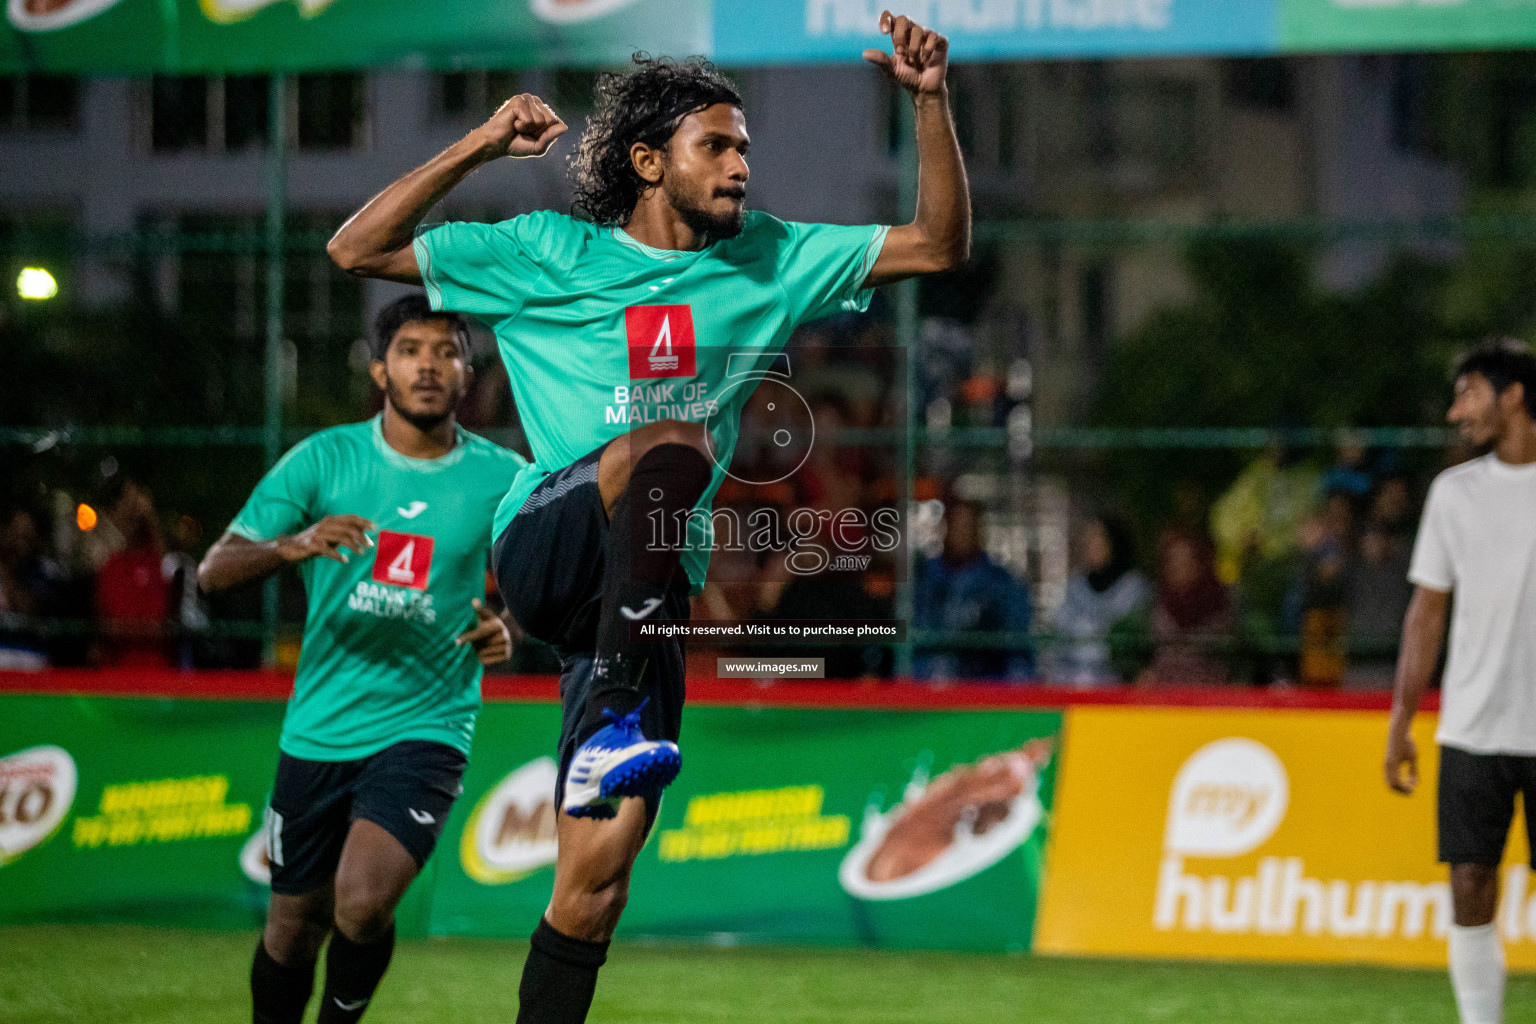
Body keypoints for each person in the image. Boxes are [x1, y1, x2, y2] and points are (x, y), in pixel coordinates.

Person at [325, 12, 969, 1023]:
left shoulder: (768, 257)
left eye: (746, 148)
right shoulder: (548, 250)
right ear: (645, 159)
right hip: (547, 539)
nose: (740, 166)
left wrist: (929, 103)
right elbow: (356, 248)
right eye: (716, 145)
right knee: (673, 442)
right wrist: (483, 143)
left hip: (646, 595)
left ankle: (610, 733)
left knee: (594, 888)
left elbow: (937, 244)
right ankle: (617, 718)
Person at [197, 295, 524, 1024]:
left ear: (467, 375)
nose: (429, 366)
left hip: (428, 724)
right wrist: (291, 544)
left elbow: (552, 583)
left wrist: (513, 627)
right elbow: (212, 572)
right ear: (380, 368)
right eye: (410, 350)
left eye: (446, 352)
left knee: (363, 899)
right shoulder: (324, 459)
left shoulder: (503, 478)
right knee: (291, 927)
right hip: (318, 729)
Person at [1384, 339, 1536, 1024]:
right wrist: (1400, 723)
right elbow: (1426, 612)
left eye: (1468, 392)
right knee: (1470, 886)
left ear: (1513, 396)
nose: (1455, 411)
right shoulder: (1454, 494)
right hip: (1474, 729)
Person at [912, 498, 1033, 682]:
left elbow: (1019, 648)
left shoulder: (1001, 583)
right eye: (957, 525)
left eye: (969, 526)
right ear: (945, 528)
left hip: (983, 689)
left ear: (979, 531)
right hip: (928, 689)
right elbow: (911, 636)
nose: (962, 533)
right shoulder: (923, 578)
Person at [1047, 515, 1149, 686]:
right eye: (1088, 539)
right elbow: (1060, 641)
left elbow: (1134, 652)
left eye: (1098, 537)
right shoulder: (1075, 587)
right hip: (1072, 686)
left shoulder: (1134, 588)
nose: (1091, 545)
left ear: (1114, 542)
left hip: (1117, 690)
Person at [1138, 530, 1233, 687]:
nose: (1178, 566)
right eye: (1172, 559)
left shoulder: (1220, 602)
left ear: (1199, 563)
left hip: (1209, 693)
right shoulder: (1156, 601)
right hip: (1163, 693)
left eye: (1185, 559)